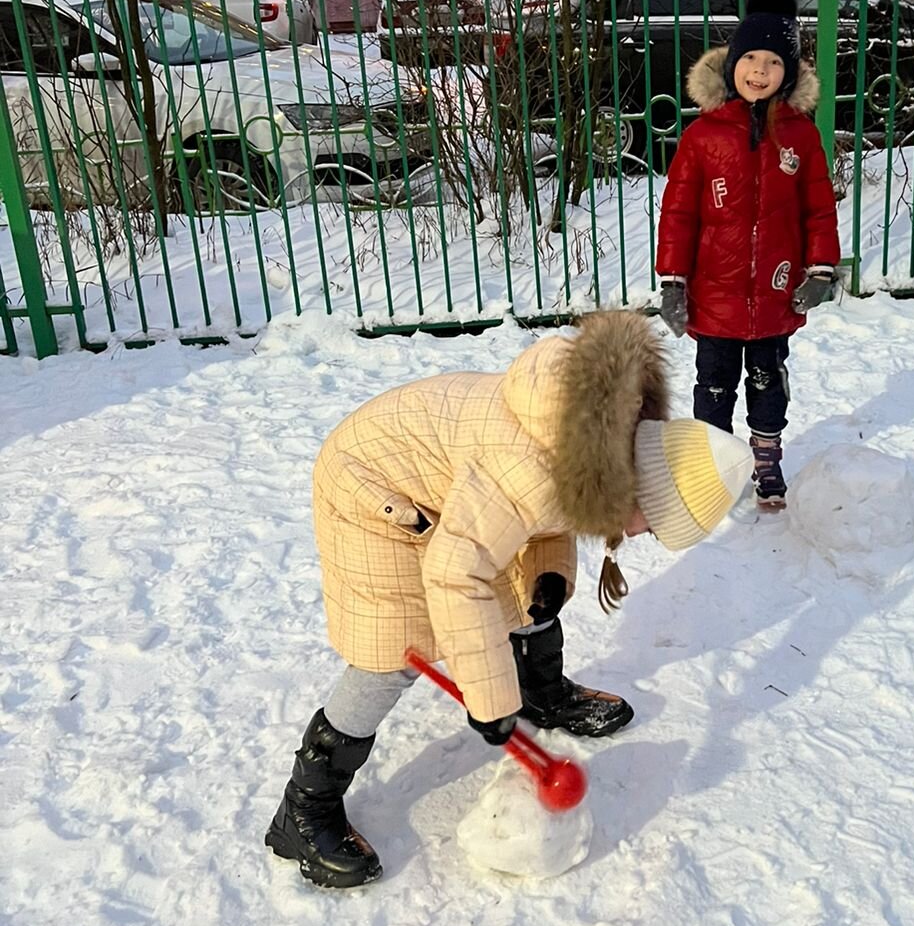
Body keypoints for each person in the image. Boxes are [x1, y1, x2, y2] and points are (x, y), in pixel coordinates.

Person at [266, 310, 754, 889]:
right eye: (652, 523)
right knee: (394, 647)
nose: (642, 535)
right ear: (638, 486)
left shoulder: (590, 445)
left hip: (449, 482)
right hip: (371, 487)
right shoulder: (532, 469)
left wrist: (548, 575)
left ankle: (540, 695)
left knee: (522, 586)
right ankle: (304, 809)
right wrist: (488, 699)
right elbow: (457, 572)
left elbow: (549, 513)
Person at [655, 0, 841, 511]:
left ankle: (765, 456)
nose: (760, 71)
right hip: (714, 296)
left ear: (789, 73)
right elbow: (679, 213)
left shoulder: (802, 136)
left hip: (775, 293)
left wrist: (821, 268)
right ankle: (709, 465)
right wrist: (673, 281)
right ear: (732, 63)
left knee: (767, 380)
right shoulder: (704, 136)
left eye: (774, 63)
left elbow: (818, 208)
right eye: (751, 58)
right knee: (712, 385)